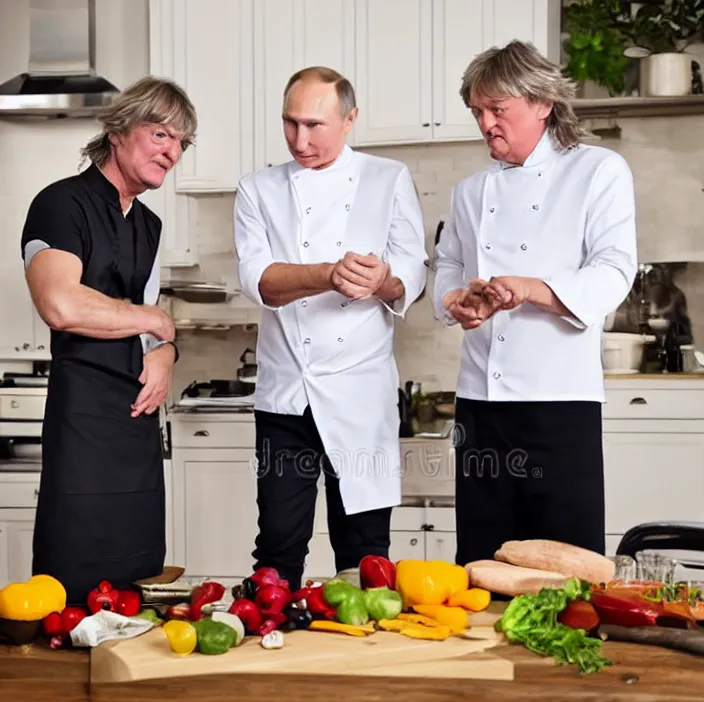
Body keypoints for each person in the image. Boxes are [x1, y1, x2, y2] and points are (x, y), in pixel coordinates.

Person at [433, 41, 638, 568]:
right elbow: (449, 266)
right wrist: (458, 301)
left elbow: (614, 268)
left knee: (568, 569)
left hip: (559, 406)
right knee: (480, 565)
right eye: (477, 111)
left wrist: (532, 289)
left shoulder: (597, 170)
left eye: (497, 109)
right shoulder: (469, 191)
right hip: (479, 406)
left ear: (542, 103)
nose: (484, 124)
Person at [234, 66, 427, 591]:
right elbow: (261, 283)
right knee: (276, 544)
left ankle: (365, 660)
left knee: (365, 550)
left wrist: (385, 280)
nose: (301, 139)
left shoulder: (388, 178)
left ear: (350, 120)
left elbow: (414, 271)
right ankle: (271, 647)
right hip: (285, 397)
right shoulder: (257, 189)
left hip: (360, 393)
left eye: (315, 125)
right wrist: (328, 274)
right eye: (290, 123)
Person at [21, 76, 197, 604]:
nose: (172, 152)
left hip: (137, 426)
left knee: (136, 576)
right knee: (74, 577)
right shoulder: (59, 204)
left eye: (181, 143)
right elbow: (61, 304)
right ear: (119, 130)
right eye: (162, 134)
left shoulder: (149, 224)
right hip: (83, 423)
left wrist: (165, 352)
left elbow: (149, 327)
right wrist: (157, 322)